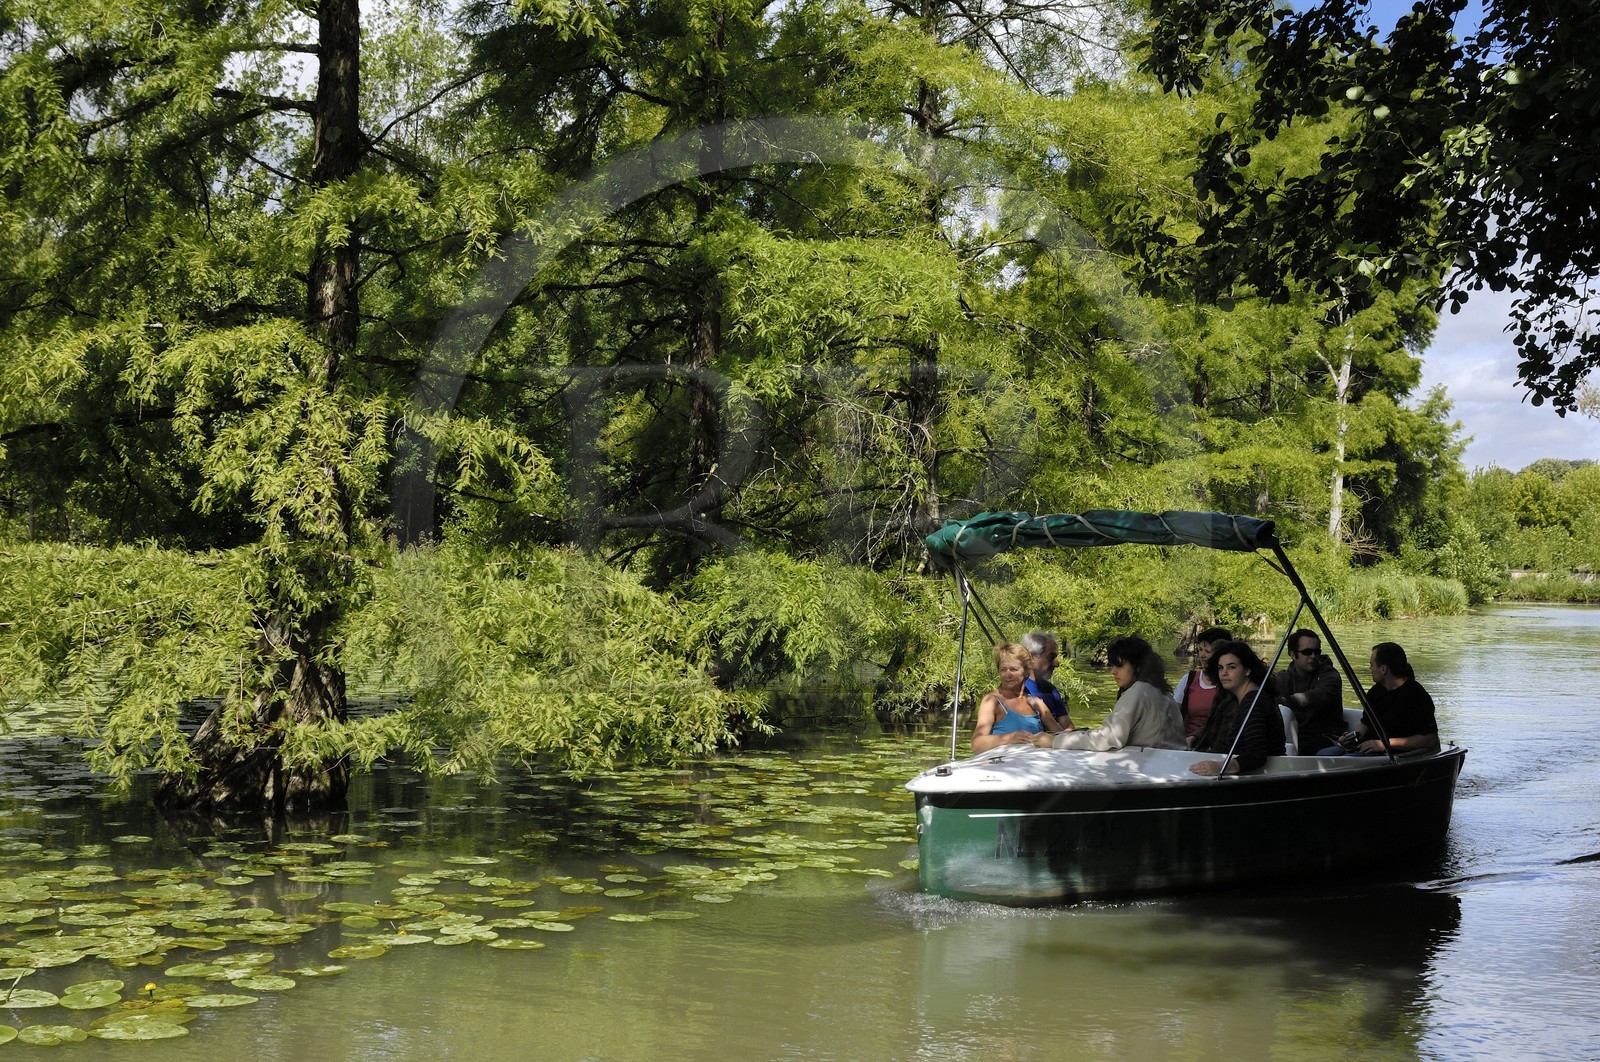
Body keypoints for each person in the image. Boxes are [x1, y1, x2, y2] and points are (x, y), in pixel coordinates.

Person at [1033, 636, 1185, 752]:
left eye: (1119, 665)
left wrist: (1054, 742)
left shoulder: (1138, 692)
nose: (1113, 671)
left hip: (1155, 770)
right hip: (1172, 762)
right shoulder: (1163, 692)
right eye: (1112, 665)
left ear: (1137, 666)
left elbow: (1108, 738)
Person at [1319, 642, 1441, 756]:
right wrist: (1349, 739)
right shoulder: (1375, 692)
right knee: (1323, 755)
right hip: (1366, 749)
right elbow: (1364, 725)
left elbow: (1430, 740)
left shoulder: (1416, 695)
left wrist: (1384, 744)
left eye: (1372, 665)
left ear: (1383, 669)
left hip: (1392, 755)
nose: (1370, 669)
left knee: (1340, 761)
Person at [1188, 640, 1286, 775]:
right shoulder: (1242, 698)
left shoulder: (1253, 702)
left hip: (1264, 779)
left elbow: (1257, 754)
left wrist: (1221, 768)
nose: (1224, 673)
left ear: (1247, 670)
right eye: (1220, 668)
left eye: (1231, 667)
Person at [972, 642, 1066, 753]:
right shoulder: (991, 702)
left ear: (1027, 672)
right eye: (1003, 670)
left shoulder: (1035, 703)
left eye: (1013, 670)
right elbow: (976, 745)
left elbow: (1061, 736)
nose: (1007, 675)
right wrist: (1009, 738)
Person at [1274, 628, 1344, 754]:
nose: (1313, 656)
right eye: (1307, 652)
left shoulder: (1330, 675)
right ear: (1293, 654)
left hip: (1324, 739)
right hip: (1293, 738)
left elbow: (1317, 696)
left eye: (1317, 652)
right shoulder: (1282, 678)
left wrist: (1287, 700)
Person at [1172, 627, 1231, 740]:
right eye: (1200, 650)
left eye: (1208, 651)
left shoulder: (1231, 683)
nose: (1202, 655)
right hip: (1187, 744)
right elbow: (1173, 714)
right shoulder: (1189, 679)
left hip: (1217, 745)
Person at [1021, 631, 1073, 730]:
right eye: (1051, 657)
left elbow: (1068, 727)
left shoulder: (1051, 690)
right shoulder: (1019, 689)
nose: (1057, 664)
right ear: (1031, 657)